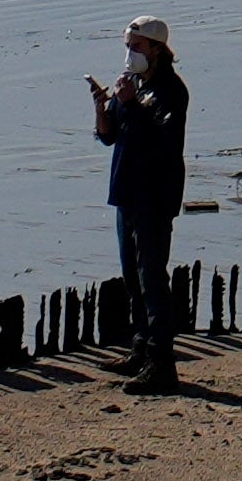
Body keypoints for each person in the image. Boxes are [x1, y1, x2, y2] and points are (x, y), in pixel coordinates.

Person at [89, 19, 193, 386]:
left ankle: (163, 364)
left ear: (157, 50)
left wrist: (130, 105)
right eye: (128, 46)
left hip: (155, 194)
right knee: (132, 277)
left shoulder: (171, 90)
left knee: (152, 278)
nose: (130, 53)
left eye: (137, 47)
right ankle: (141, 350)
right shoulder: (130, 84)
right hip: (127, 192)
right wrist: (103, 107)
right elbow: (109, 135)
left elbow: (162, 141)